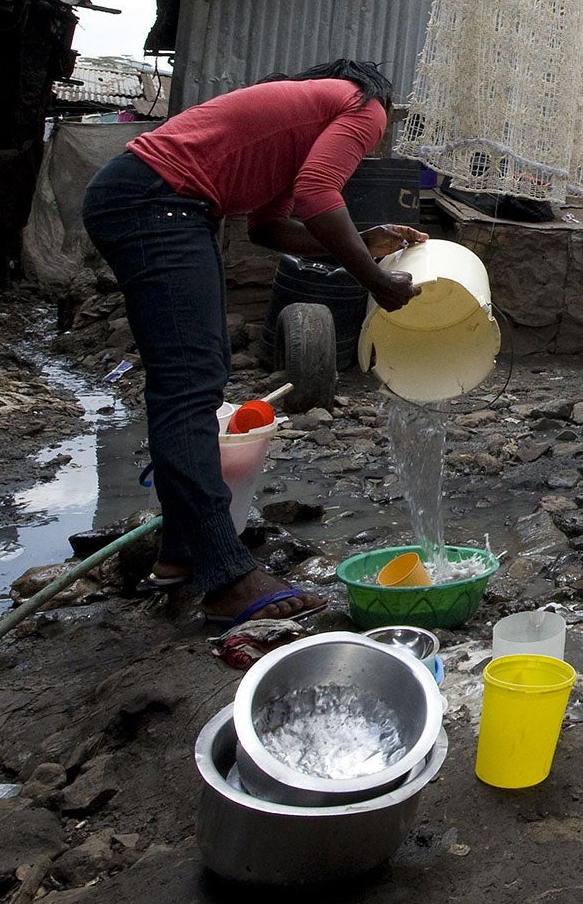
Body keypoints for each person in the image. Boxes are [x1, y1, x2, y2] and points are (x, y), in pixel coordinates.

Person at [82, 61, 426, 625]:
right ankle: (225, 575)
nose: (367, 144)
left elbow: (268, 229)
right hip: (157, 200)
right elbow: (320, 193)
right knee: (189, 387)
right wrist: (376, 281)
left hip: (155, 199)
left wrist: (362, 243)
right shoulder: (364, 104)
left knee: (198, 374)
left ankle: (181, 551)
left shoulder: (299, 129)